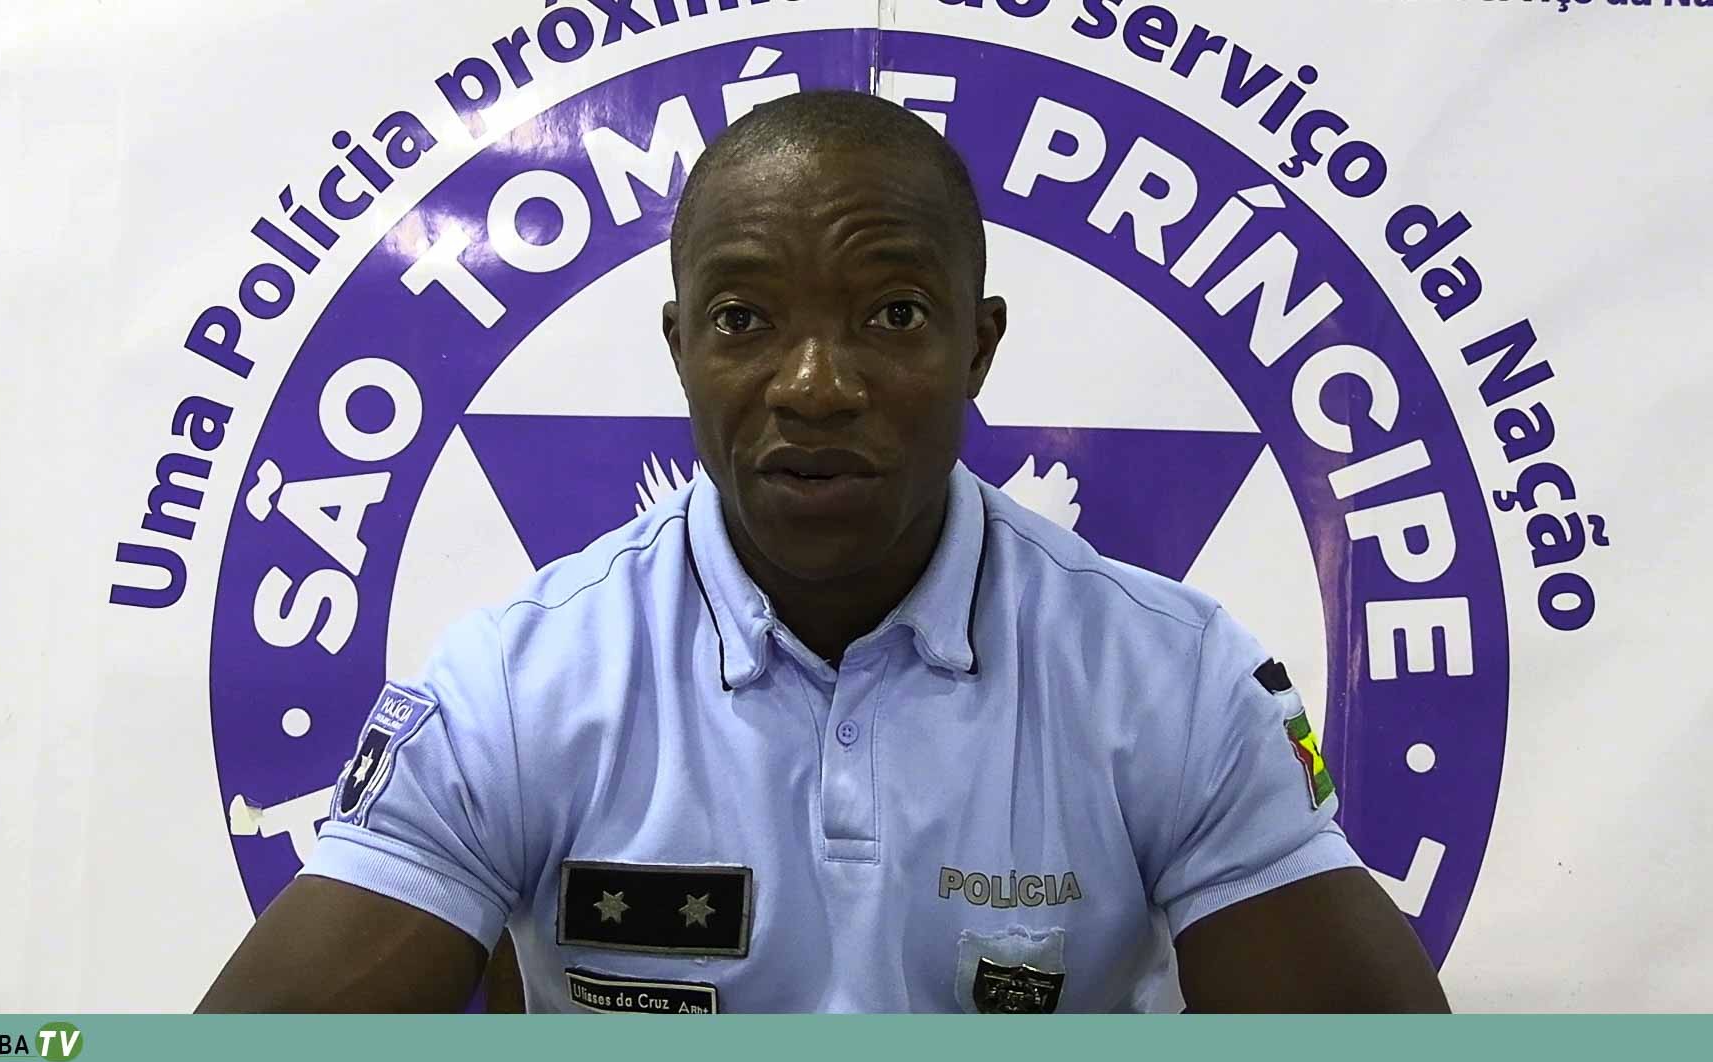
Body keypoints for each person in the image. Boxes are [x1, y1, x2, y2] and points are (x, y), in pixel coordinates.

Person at [199, 90, 1448, 1014]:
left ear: (978, 347)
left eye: (892, 315)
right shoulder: (516, 689)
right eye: (744, 319)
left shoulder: (1172, 681)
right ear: (682, 348)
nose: (814, 385)